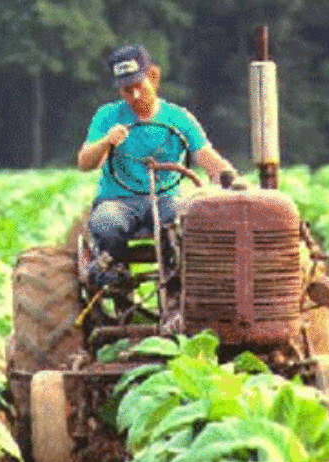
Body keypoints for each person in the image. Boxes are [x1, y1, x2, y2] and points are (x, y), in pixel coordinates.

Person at [77, 44, 237, 288]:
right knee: (106, 222)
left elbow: (206, 155)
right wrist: (105, 143)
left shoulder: (178, 117)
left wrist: (231, 179)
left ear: (153, 77)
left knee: (182, 219)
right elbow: (84, 162)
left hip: (164, 198)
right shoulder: (107, 115)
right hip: (118, 200)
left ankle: (175, 279)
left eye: (138, 86)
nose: (135, 96)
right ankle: (116, 276)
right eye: (126, 90)